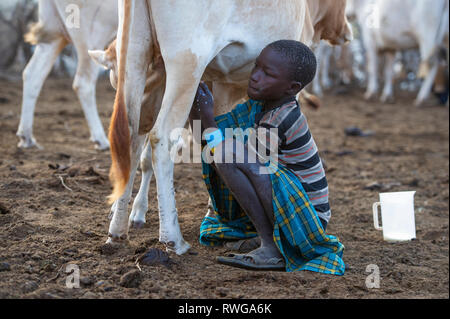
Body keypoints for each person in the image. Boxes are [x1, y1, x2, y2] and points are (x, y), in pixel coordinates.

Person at [189, 40, 345, 275]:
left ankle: (271, 247)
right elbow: (208, 142)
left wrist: (210, 124)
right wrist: (198, 109)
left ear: (292, 88)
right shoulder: (258, 107)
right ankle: (269, 237)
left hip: (306, 219)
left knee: (228, 150)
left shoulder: (283, 118)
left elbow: (232, 155)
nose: (255, 77)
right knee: (223, 148)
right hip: (284, 205)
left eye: (267, 74)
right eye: (256, 67)